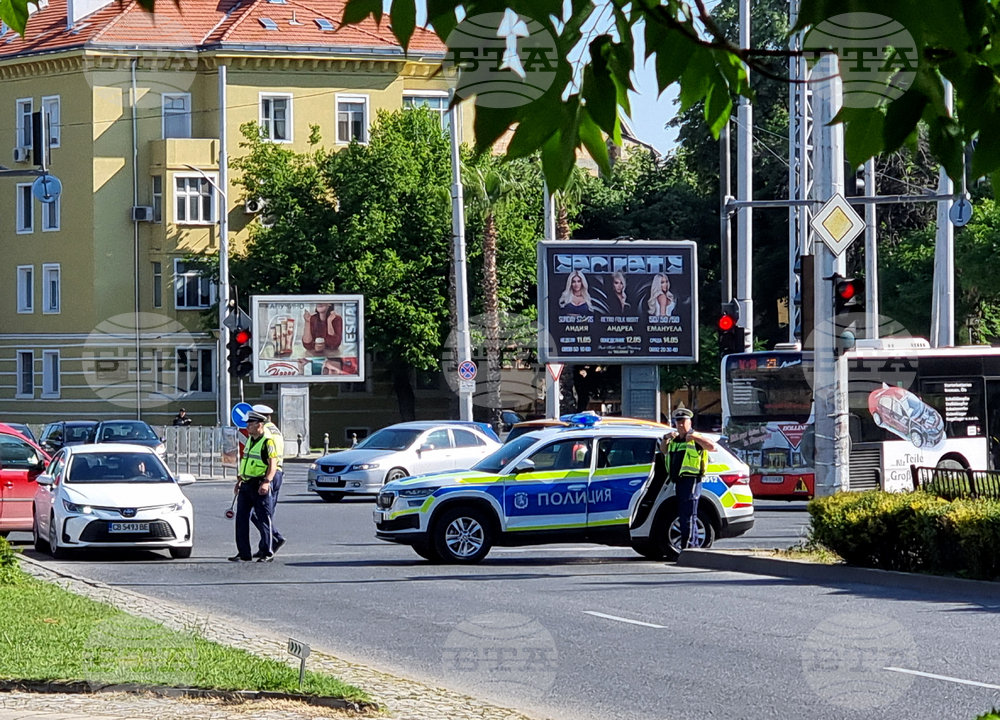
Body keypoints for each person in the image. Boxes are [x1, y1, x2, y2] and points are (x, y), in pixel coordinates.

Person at [661, 408, 716, 552]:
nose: (680, 425)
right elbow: (664, 451)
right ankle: (692, 547)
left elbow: (711, 446)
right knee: (684, 515)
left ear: (689, 422)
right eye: (678, 422)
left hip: (691, 481)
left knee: (689, 515)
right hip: (679, 482)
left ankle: (689, 548)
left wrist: (695, 438)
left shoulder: (695, 437)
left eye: (683, 422)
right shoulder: (674, 439)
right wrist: (666, 438)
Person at [230, 411, 280, 562]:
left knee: (264, 518)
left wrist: (267, 482)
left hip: (260, 484)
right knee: (241, 519)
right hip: (246, 484)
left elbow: (273, 465)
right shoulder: (250, 440)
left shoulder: (267, 442)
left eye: (250, 424)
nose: (247, 427)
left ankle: (267, 552)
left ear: (259, 425)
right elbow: (246, 462)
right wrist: (239, 481)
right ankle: (244, 552)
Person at [250, 404, 285, 559]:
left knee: (259, 514)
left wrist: (265, 479)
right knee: (267, 512)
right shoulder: (275, 430)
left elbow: (268, 457)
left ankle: (274, 539)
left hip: (267, 474)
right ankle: (265, 545)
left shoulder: (266, 433)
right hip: (277, 473)